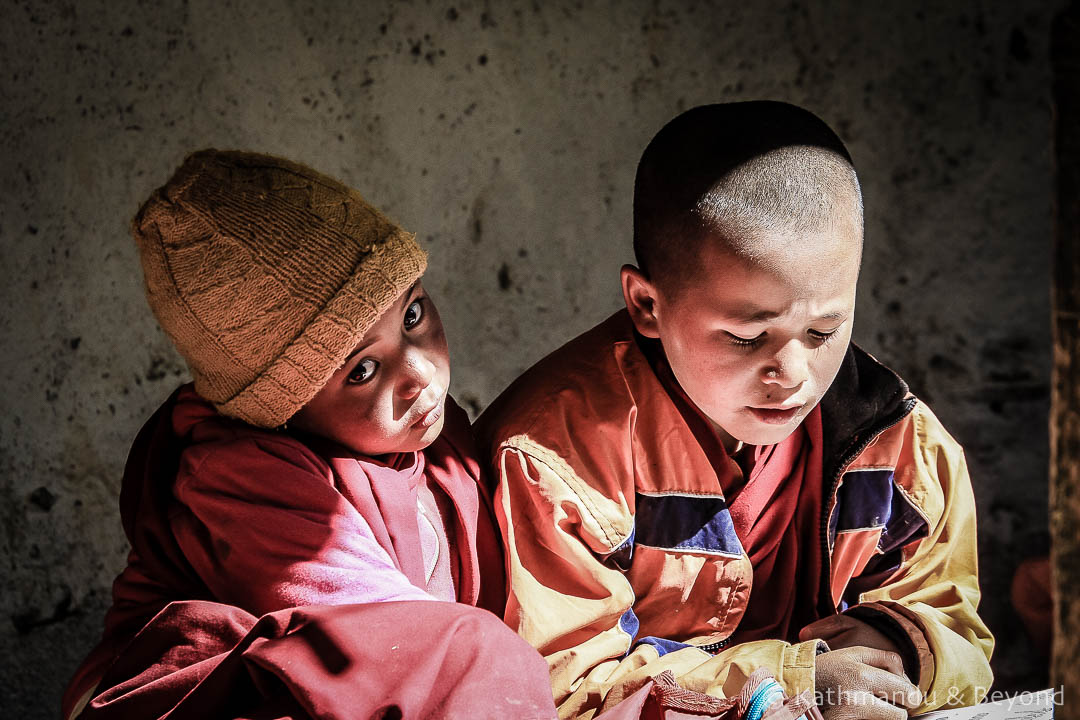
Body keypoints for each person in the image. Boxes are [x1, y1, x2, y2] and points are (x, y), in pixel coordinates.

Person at [477, 101, 994, 719]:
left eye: (825, 331)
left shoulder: (902, 449)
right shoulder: (555, 459)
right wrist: (789, 686)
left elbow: (957, 630)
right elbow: (561, 686)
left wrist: (904, 651)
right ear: (647, 304)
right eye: (749, 338)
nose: (795, 376)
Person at [61, 150, 557, 720]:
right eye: (362, 371)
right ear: (281, 409)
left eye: (413, 315)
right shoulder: (241, 478)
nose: (419, 374)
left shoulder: (428, 444)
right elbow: (408, 650)